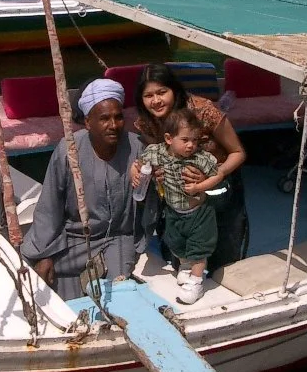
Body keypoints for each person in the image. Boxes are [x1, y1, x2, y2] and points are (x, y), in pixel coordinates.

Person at [21, 79, 145, 300]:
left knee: (118, 293)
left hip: (117, 238)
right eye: (104, 118)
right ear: (88, 122)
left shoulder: (137, 147)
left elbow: (147, 199)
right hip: (74, 238)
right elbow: (50, 205)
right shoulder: (69, 149)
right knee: (38, 274)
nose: (113, 125)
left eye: (118, 117)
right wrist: (45, 254)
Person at [134, 63, 249, 271]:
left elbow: (238, 153)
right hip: (178, 199)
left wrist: (213, 175)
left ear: (174, 90)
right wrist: (149, 171)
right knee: (180, 255)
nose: (156, 101)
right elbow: (156, 153)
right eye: (148, 95)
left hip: (219, 189)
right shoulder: (147, 122)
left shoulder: (203, 110)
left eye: (162, 92)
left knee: (224, 258)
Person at [136, 109, 223, 304]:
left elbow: (218, 175)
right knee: (176, 242)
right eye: (185, 140)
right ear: (169, 139)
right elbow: (141, 162)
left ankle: (196, 282)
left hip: (198, 213)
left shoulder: (200, 158)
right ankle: (185, 266)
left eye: (195, 140)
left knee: (199, 249)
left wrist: (199, 186)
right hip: (174, 210)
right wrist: (138, 172)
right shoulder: (157, 153)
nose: (191, 145)